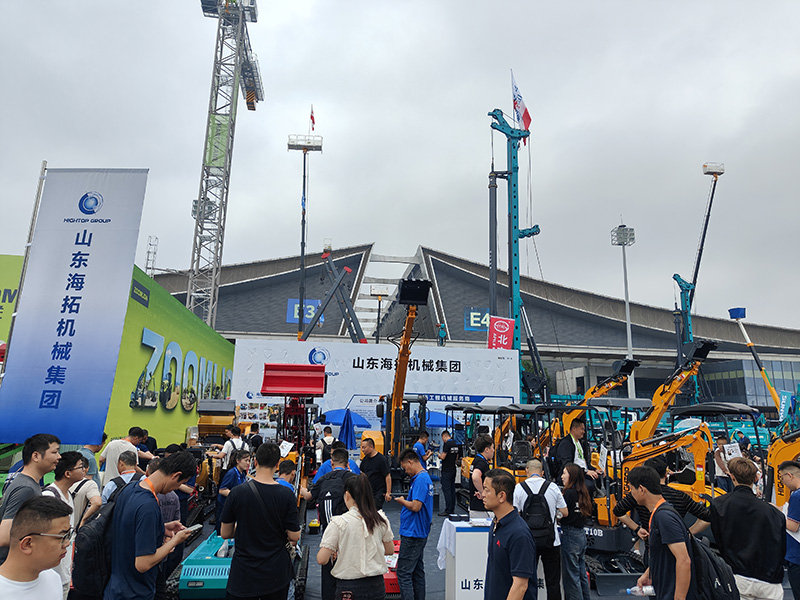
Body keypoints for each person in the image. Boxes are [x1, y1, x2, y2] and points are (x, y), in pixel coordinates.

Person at [104, 451, 197, 600]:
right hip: (136, 592)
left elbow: (128, 527)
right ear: (175, 475)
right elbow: (143, 563)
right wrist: (175, 541)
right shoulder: (148, 506)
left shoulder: (129, 489)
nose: (176, 488)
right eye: (180, 483)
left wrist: (161, 527)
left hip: (116, 586)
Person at [220, 442, 301, 600]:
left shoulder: (237, 493)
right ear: (277, 465)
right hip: (275, 574)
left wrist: (246, 526)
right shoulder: (286, 494)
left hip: (243, 574)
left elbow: (225, 533)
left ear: (255, 461)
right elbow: (294, 536)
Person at [710, 457, 785, 600]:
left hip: (738, 576)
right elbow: (781, 546)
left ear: (731, 476)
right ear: (756, 478)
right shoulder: (774, 513)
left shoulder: (719, 505)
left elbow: (719, 539)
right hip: (769, 580)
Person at [317, 474, 395, 600]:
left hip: (349, 587)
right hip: (377, 586)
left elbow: (322, 559)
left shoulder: (339, 523)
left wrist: (336, 552)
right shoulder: (381, 519)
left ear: (347, 495)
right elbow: (389, 550)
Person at [628, 466, 695, 600]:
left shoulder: (664, 517)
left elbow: (684, 560)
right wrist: (649, 573)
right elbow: (664, 553)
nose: (631, 493)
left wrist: (679, 597)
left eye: (631, 489)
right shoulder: (659, 514)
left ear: (641, 489)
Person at [301, 448, 357, 600]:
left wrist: (302, 490)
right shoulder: (353, 479)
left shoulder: (324, 479)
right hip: (349, 534)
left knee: (328, 572)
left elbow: (309, 497)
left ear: (332, 463)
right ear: (347, 463)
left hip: (329, 534)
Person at [613, 457, 710, 542]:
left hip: (652, 546)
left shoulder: (641, 495)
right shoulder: (680, 496)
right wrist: (687, 533)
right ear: (666, 474)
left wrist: (637, 529)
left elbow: (618, 511)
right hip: (678, 543)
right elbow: (707, 517)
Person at [0, 433, 61, 565]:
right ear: (35, 456)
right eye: (54, 452)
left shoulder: (30, 484)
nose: (59, 457)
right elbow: (4, 536)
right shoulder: (26, 488)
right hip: (12, 566)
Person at [513, 458, 568, 600]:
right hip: (551, 541)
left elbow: (515, 513)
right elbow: (565, 512)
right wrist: (556, 515)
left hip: (528, 541)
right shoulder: (553, 487)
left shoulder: (519, 488)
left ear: (527, 470)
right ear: (542, 472)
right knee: (553, 582)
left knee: (527, 581)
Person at [0, 496, 72, 599]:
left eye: (69, 535)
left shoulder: (53, 579)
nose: (67, 543)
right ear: (27, 544)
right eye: (62, 537)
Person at [484, 468, 537, 600]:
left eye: (487, 490)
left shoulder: (519, 534)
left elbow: (520, 586)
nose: (483, 494)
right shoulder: (496, 523)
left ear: (501, 496)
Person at [42, 451, 86, 598]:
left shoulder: (68, 494)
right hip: (51, 574)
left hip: (64, 571)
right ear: (67, 473)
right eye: (81, 467)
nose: (84, 470)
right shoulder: (50, 496)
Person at [394, 448, 434, 600]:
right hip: (417, 530)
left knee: (403, 573)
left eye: (405, 467)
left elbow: (416, 506)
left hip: (413, 532)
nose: (406, 471)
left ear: (410, 462)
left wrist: (403, 501)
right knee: (417, 570)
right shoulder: (422, 478)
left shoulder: (421, 480)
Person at [559, 463, 592, 600]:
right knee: (581, 572)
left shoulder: (568, 494)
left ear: (571, 476)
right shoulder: (583, 492)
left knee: (571, 575)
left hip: (569, 534)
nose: (562, 476)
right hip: (580, 534)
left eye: (564, 473)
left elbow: (562, 513)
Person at [553, 419, 602, 494]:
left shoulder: (579, 443)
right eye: (582, 429)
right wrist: (585, 472)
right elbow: (567, 464)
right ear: (574, 429)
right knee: (589, 485)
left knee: (602, 478)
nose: (584, 432)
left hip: (582, 473)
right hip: (573, 475)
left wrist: (594, 469)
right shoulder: (566, 444)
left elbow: (583, 462)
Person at [778, 460, 800, 599]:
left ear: (790, 475)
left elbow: (793, 526)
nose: (783, 482)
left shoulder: (797, 496)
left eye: (782, 478)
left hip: (797, 556)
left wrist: (775, 516)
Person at [217, 449, 251, 534]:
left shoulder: (242, 473)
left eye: (249, 461)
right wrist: (238, 495)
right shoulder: (232, 473)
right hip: (224, 507)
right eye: (246, 460)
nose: (248, 463)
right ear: (238, 461)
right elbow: (222, 490)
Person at [164, 444, 195, 526]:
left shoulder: (188, 468)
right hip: (164, 501)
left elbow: (189, 489)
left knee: (180, 525)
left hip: (181, 502)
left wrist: (174, 482)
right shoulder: (164, 466)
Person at [70, 456, 102, 529]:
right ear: (86, 469)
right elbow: (97, 503)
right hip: (75, 529)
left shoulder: (60, 482)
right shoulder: (90, 484)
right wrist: (83, 520)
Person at [360, 437, 392, 509]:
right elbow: (362, 474)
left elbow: (387, 476)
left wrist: (388, 492)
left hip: (378, 492)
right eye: (362, 448)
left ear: (371, 447)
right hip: (368, 491)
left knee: (374, 509)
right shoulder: (365, 460)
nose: (363, 450)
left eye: (364, 447)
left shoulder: (381, 459)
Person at [469, 434, 494, 519]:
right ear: (486, 449)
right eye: (492, 448)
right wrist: (483, 493)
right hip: (481, 509)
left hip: (476, 506)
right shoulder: (481, 463)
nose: (493, 450)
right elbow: (475, 477)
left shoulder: (477, 460)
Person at [437, 430, 459, 516]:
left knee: (447, 490)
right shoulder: (455, 444)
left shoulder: (447, 444)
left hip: (446, 470)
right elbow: (456, 457)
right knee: (452, 489)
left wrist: (438, 455)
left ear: (444, 436)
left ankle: (448, 510)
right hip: (453, 469)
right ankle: (452, 508)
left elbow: (443, 457)